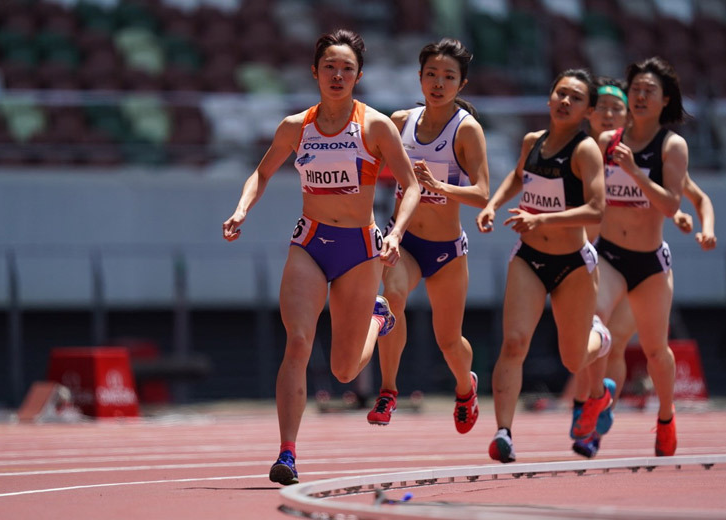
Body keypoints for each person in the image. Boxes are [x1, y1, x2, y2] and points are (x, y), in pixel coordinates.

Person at [222, 29, 421, 485]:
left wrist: (396, 234)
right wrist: (240, 210)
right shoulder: (296, 126)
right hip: (310, 244)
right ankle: (287, 453)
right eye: (329, 66)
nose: (337, 75)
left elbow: (411, 185)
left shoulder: (375, 127)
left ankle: (377, 317)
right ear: (314, 72)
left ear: (359, 76)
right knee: (297, 342)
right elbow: (261, 172)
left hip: (360, 250)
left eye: (347, 68)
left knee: (345, 369)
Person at [570, 80, 716, 457]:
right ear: (590, 114)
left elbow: (692, 198)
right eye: (601, 108)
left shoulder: (659, 151)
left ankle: (658, 419)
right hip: (602, 258)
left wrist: (697, 224)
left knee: (637, 348)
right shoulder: (589, 153)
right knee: (597, 338)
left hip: (647, 264)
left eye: (616, 109)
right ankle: (595, 408)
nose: (608, 115)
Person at [476, 69, 607, 463]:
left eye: (576, 97)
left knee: (573, 359)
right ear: (549, 98)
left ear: (587, 110)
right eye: (560, 93)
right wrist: (492, 204)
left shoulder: (586, 152)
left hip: (573, 264)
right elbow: (518, 177)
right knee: (514, 341)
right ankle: (504, 433)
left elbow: (597, 210)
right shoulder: (533, 141)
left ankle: (601, 336)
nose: (565, 101)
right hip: (529, 258)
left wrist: (542, 219)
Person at [364, 38, 490, 432]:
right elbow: (367, 172)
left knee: (449, 341)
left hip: (447, 250)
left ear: (461, 84)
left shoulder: (467, 131)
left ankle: (464, 387)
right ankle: (388, 391)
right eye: (431, 75)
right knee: (391, 300)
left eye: (448, 77)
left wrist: (440, 186)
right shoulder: (400, 121)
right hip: (406, 242)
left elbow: (483, 193)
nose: (438, 83)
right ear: (420, 78)